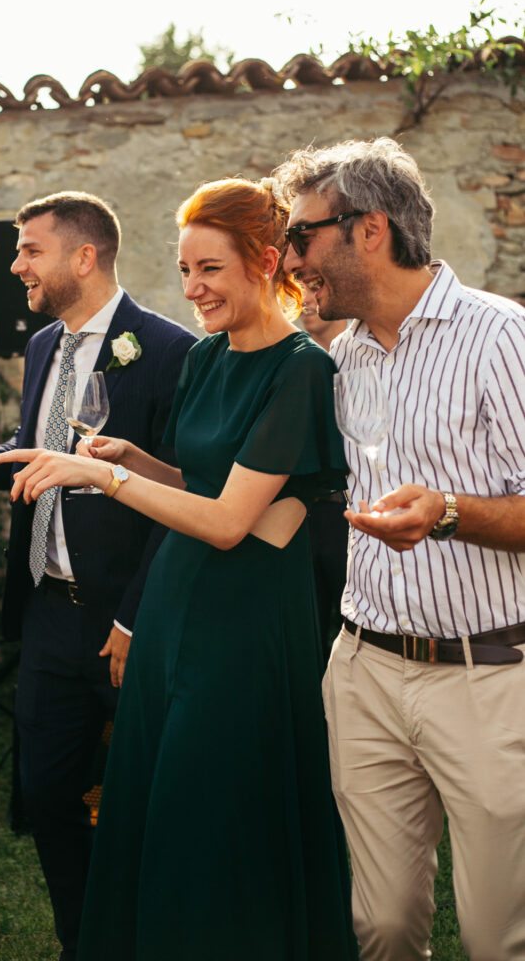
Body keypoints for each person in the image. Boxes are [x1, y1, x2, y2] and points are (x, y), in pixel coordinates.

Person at [0, 177, 358, 961]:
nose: (191, 289)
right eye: (185, 270)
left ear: (266, 263)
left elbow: (231, 524)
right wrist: (137, 460)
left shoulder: (301, 371)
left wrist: (103, 477)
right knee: (160, 816)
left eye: (210, 270)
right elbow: (205, 489)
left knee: (218, 821)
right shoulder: (205, 360)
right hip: (174, 619)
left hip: (245, 630)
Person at [275, 136, 525, 961]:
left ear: (368, 229)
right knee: (378, 928)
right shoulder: (340, 358)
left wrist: (447, 512)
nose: (290, 258)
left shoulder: (499, 337)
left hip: (486, 678)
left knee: (499, 936)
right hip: (363, 670)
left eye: (302, 237)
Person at [0, 190, 195, 961]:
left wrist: (134, 620)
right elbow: (33, 450)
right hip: (48, 612)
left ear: (85, 256)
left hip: (126, 617)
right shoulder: (44, 346)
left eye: (29, 250)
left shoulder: (171, 351)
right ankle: (82, 943)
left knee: (136, 800)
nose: (15, 266)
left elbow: (180, 496)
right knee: (46, 794)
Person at [296, 278, 349, 663]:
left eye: (315, 288)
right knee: (305, 637)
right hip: (300, 516)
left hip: (347, 515)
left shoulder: (360, 359)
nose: (305, 300)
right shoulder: (294, 359)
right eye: (298, 289)